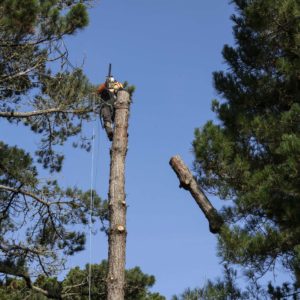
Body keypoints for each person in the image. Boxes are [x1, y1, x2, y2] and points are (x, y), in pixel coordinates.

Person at [97, 77, 123, 141]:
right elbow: (99, 90)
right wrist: (106, 84)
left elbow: (122, 91)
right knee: (107, 119)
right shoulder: (105, 90)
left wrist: (119, 87)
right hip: (106, 107)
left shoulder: (116, 95)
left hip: (114, 110)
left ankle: (122, 132)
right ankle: (110, 133)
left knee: (119, 119)